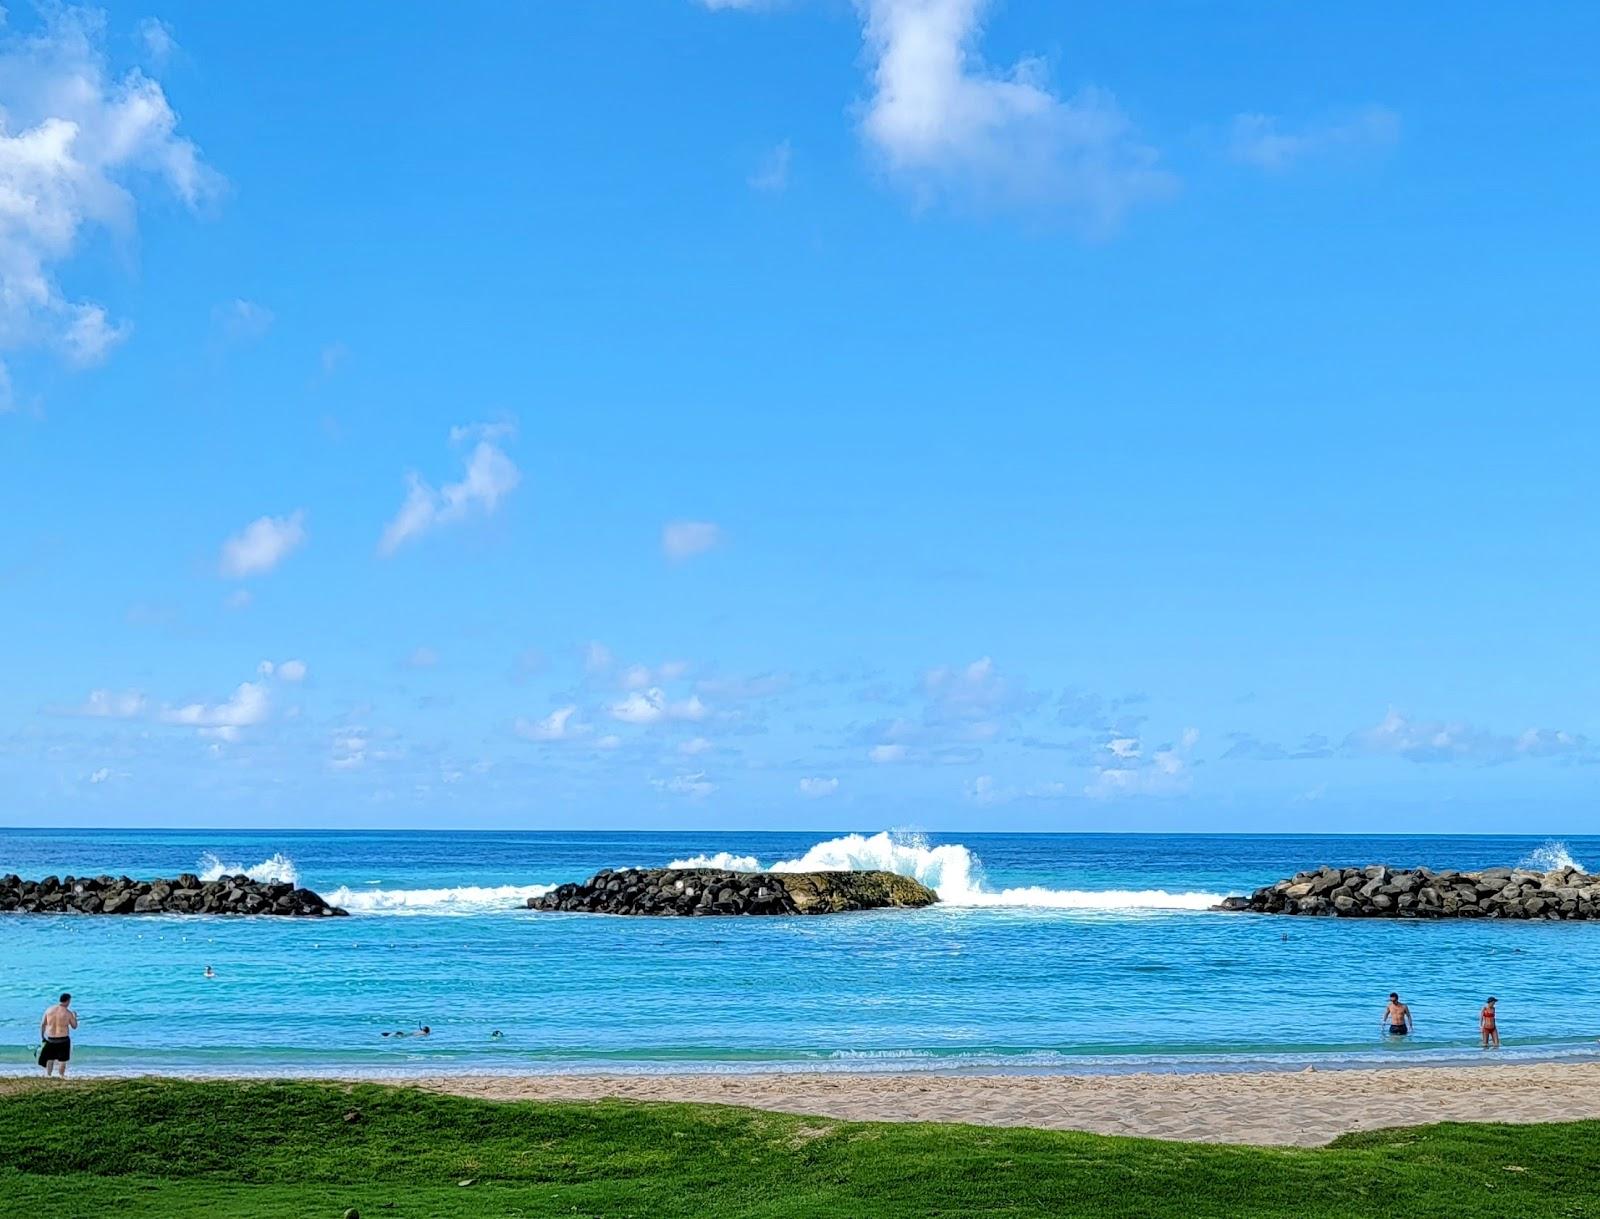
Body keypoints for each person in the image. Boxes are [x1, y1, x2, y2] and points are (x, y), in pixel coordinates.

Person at [38, 993, 77, 1077]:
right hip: (63, 1039)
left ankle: (48, 1075)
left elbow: (42, 1024)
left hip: (51, 1038)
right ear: (67, 1001)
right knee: (63, 1060)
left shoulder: (49, 1010)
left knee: (50, 1058)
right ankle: (61, 1075)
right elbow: (74, 1026)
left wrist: (42, 1037)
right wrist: (75, 1017)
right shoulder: (68, 1013)